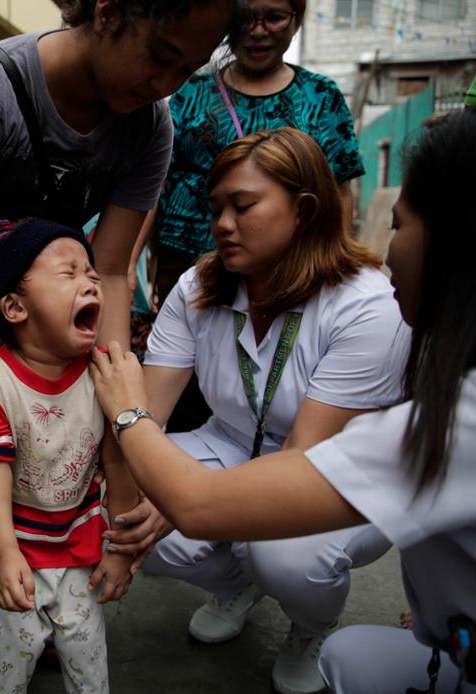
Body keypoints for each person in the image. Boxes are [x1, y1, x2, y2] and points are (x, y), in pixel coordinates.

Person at [90, 106, 476, 694]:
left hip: (318, 463)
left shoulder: (368, 306)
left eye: (243, 207)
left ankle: (308, 625)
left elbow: (298, 455)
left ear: (303, 211)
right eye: (215, 207)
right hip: (225, 448)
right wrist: (133, 496)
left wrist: (136, 429)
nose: (222, 223)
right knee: (104, 513)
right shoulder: (199, 286)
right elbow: (157, 418)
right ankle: (236, 586)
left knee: (284, 552)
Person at [0, 2, 238, 689]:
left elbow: (111, 269)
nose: (167, 83)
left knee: (73, 433)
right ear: (111, 10)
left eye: (188, 68)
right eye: (160, 53)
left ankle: (55, 591)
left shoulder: (150, 126)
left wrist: (118, 396)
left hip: (66, 278)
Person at [148, 0, 365, 431]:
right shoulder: (191, 93)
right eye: (245, 18)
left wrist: (331, 267)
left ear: (297, 19)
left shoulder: (320, 97)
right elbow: (153, 187)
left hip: (286, 281)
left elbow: (340, 191)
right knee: (183, 397)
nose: (258, 30)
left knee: (272, 394)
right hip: (191, 279)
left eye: (275, 17)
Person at [0, 218, 135, 694]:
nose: (90, 283)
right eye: (69, 274)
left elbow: (118, 462)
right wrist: (4, 554)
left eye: (92, 276)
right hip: (15, 546)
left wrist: (120, 551)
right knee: (12, 657)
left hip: (80, 548)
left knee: (87, 656)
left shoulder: (101, 371)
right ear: (15, 306)